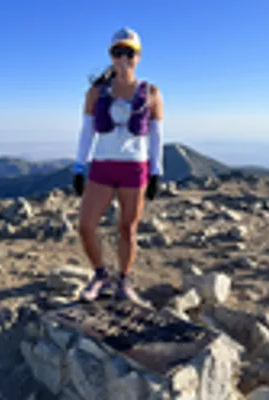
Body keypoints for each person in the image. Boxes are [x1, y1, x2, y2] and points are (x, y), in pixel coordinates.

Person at [72, 27, 164, 303]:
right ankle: (100, 275)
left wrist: (156, 171)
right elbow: (87, 132)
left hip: (134, 168)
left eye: (129, 52)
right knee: (86, 225)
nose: (123, 58)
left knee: (127, 228)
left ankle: (124, 280)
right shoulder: (96, 92)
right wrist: (79, 166)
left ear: (139, 56)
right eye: (117, 52)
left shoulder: (151, 93)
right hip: (102, 165)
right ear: (111, 56)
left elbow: (157, 136)